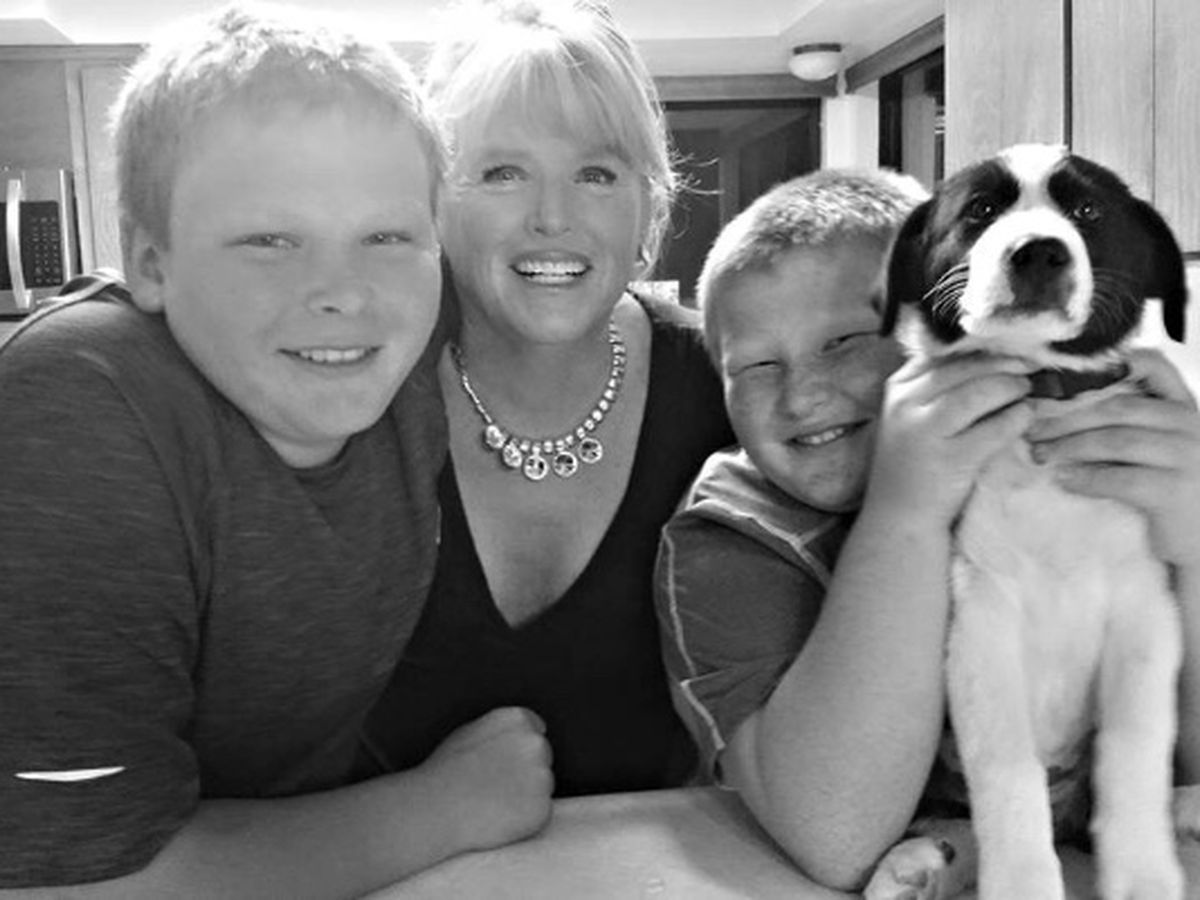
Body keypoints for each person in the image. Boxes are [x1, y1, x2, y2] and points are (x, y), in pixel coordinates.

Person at [0, 5, 555, 897]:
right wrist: (442, 810)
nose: (343, 292)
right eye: (269, 240)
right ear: (150, 261)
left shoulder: (412, 335)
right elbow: (74, 884)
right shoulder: (79, 406)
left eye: (386, 236)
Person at [654, 165, 1200, 892]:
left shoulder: (1062, 450)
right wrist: (903, 513)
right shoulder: (729, 538)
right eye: (756, 365)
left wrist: (1192, 545)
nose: (803, 395)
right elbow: (836, 834)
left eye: (846, 341)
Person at [360, 0, 734, 797]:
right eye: (502, 172)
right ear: (434, 203)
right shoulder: (360, 386)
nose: (553, 218)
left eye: (596, 174)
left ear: (648, 207)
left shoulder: (726, 383)